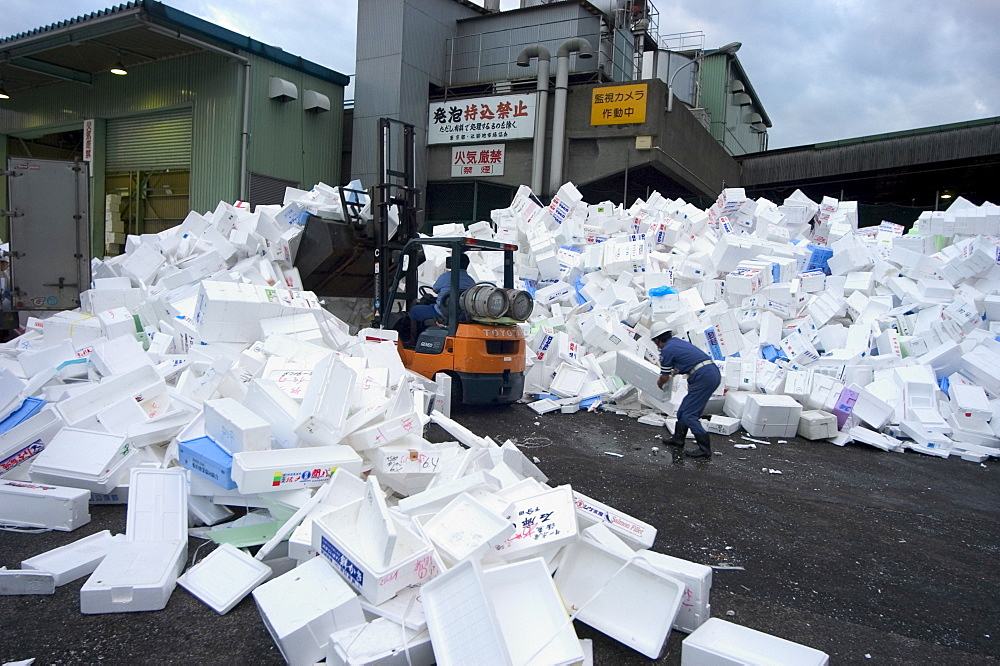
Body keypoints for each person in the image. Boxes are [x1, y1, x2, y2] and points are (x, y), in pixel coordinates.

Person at [650, 321, 722, 458]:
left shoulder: (667, 350)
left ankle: (705, 449)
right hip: (708, 373)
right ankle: (678, 439)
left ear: (657, 340)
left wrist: (659, 385)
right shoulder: (676, 343)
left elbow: (664, 377)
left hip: (703, 376)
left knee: (690, 414)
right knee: (683, 410)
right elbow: (686, 361)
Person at [409, 253, 475, 328]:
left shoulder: (445, 276)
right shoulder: (471, 281)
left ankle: (412, 338)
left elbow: (435, 290)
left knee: (415, 310)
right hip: (461, 314)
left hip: (442, 312)